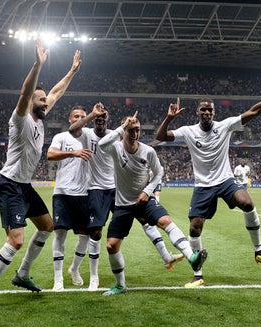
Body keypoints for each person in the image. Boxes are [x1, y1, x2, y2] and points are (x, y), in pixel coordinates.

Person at [156, 73, 261, 288]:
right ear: (198, 112)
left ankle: (258, 250)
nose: (207, 112)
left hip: (225, 180)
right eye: (203, 109)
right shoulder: (188, 131)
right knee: (194, 228)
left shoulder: (225, 126)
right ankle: (198, 275)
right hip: (203, 185)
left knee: (247, 203)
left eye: (210, 109)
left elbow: (254, 111)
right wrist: (169, 118)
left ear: (214, 112)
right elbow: (161, 137)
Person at [0, 39, 81, 312]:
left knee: (47, 226)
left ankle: (22, 274)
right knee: (16, 240)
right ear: (31, 102)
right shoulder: (21, 118)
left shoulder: (41, 116)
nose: (46, 102)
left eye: (46, 99)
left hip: (24, 185)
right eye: (41, 99)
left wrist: (71, 71)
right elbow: (25, 94)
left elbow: (56, 91)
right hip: (9, 184)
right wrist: (38, 64)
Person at [69, 104, 186, 292]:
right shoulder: (90, 134)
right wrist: (93, 115)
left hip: (117, 189)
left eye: (103, 118)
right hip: (97, 189)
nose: (99, 121)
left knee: (146, 220)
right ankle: (93, 276)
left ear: (108, 121)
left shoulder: (116, 136)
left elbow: (132, 146)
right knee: (98, 233)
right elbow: (75, 129)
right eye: (97, 119)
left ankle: (165, 255)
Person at [98, 111, 207, 296]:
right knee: (111, 246)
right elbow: (102, 144)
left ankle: (192, 257)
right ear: (124, 131)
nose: (134, 134)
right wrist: (121, 127)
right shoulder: (115, 148)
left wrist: (147, 192)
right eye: (130, 130)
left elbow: (158, 173)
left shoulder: (148, 151)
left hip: (144, 200)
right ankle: (120, 285)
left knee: (165, 221)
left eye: (137, 130)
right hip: (123, 204)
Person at [47, 106, 93, 292]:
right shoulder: (61, 137)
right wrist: (73, 153)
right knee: (60, 234)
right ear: (69, 119)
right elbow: (50, 155)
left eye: (83, 116)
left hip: (84, 193)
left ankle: (74, 269)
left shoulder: (89, 136)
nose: (79, 119)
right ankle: (58, 279)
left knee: (85, 236)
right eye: (76, 116)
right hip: (63, 192)